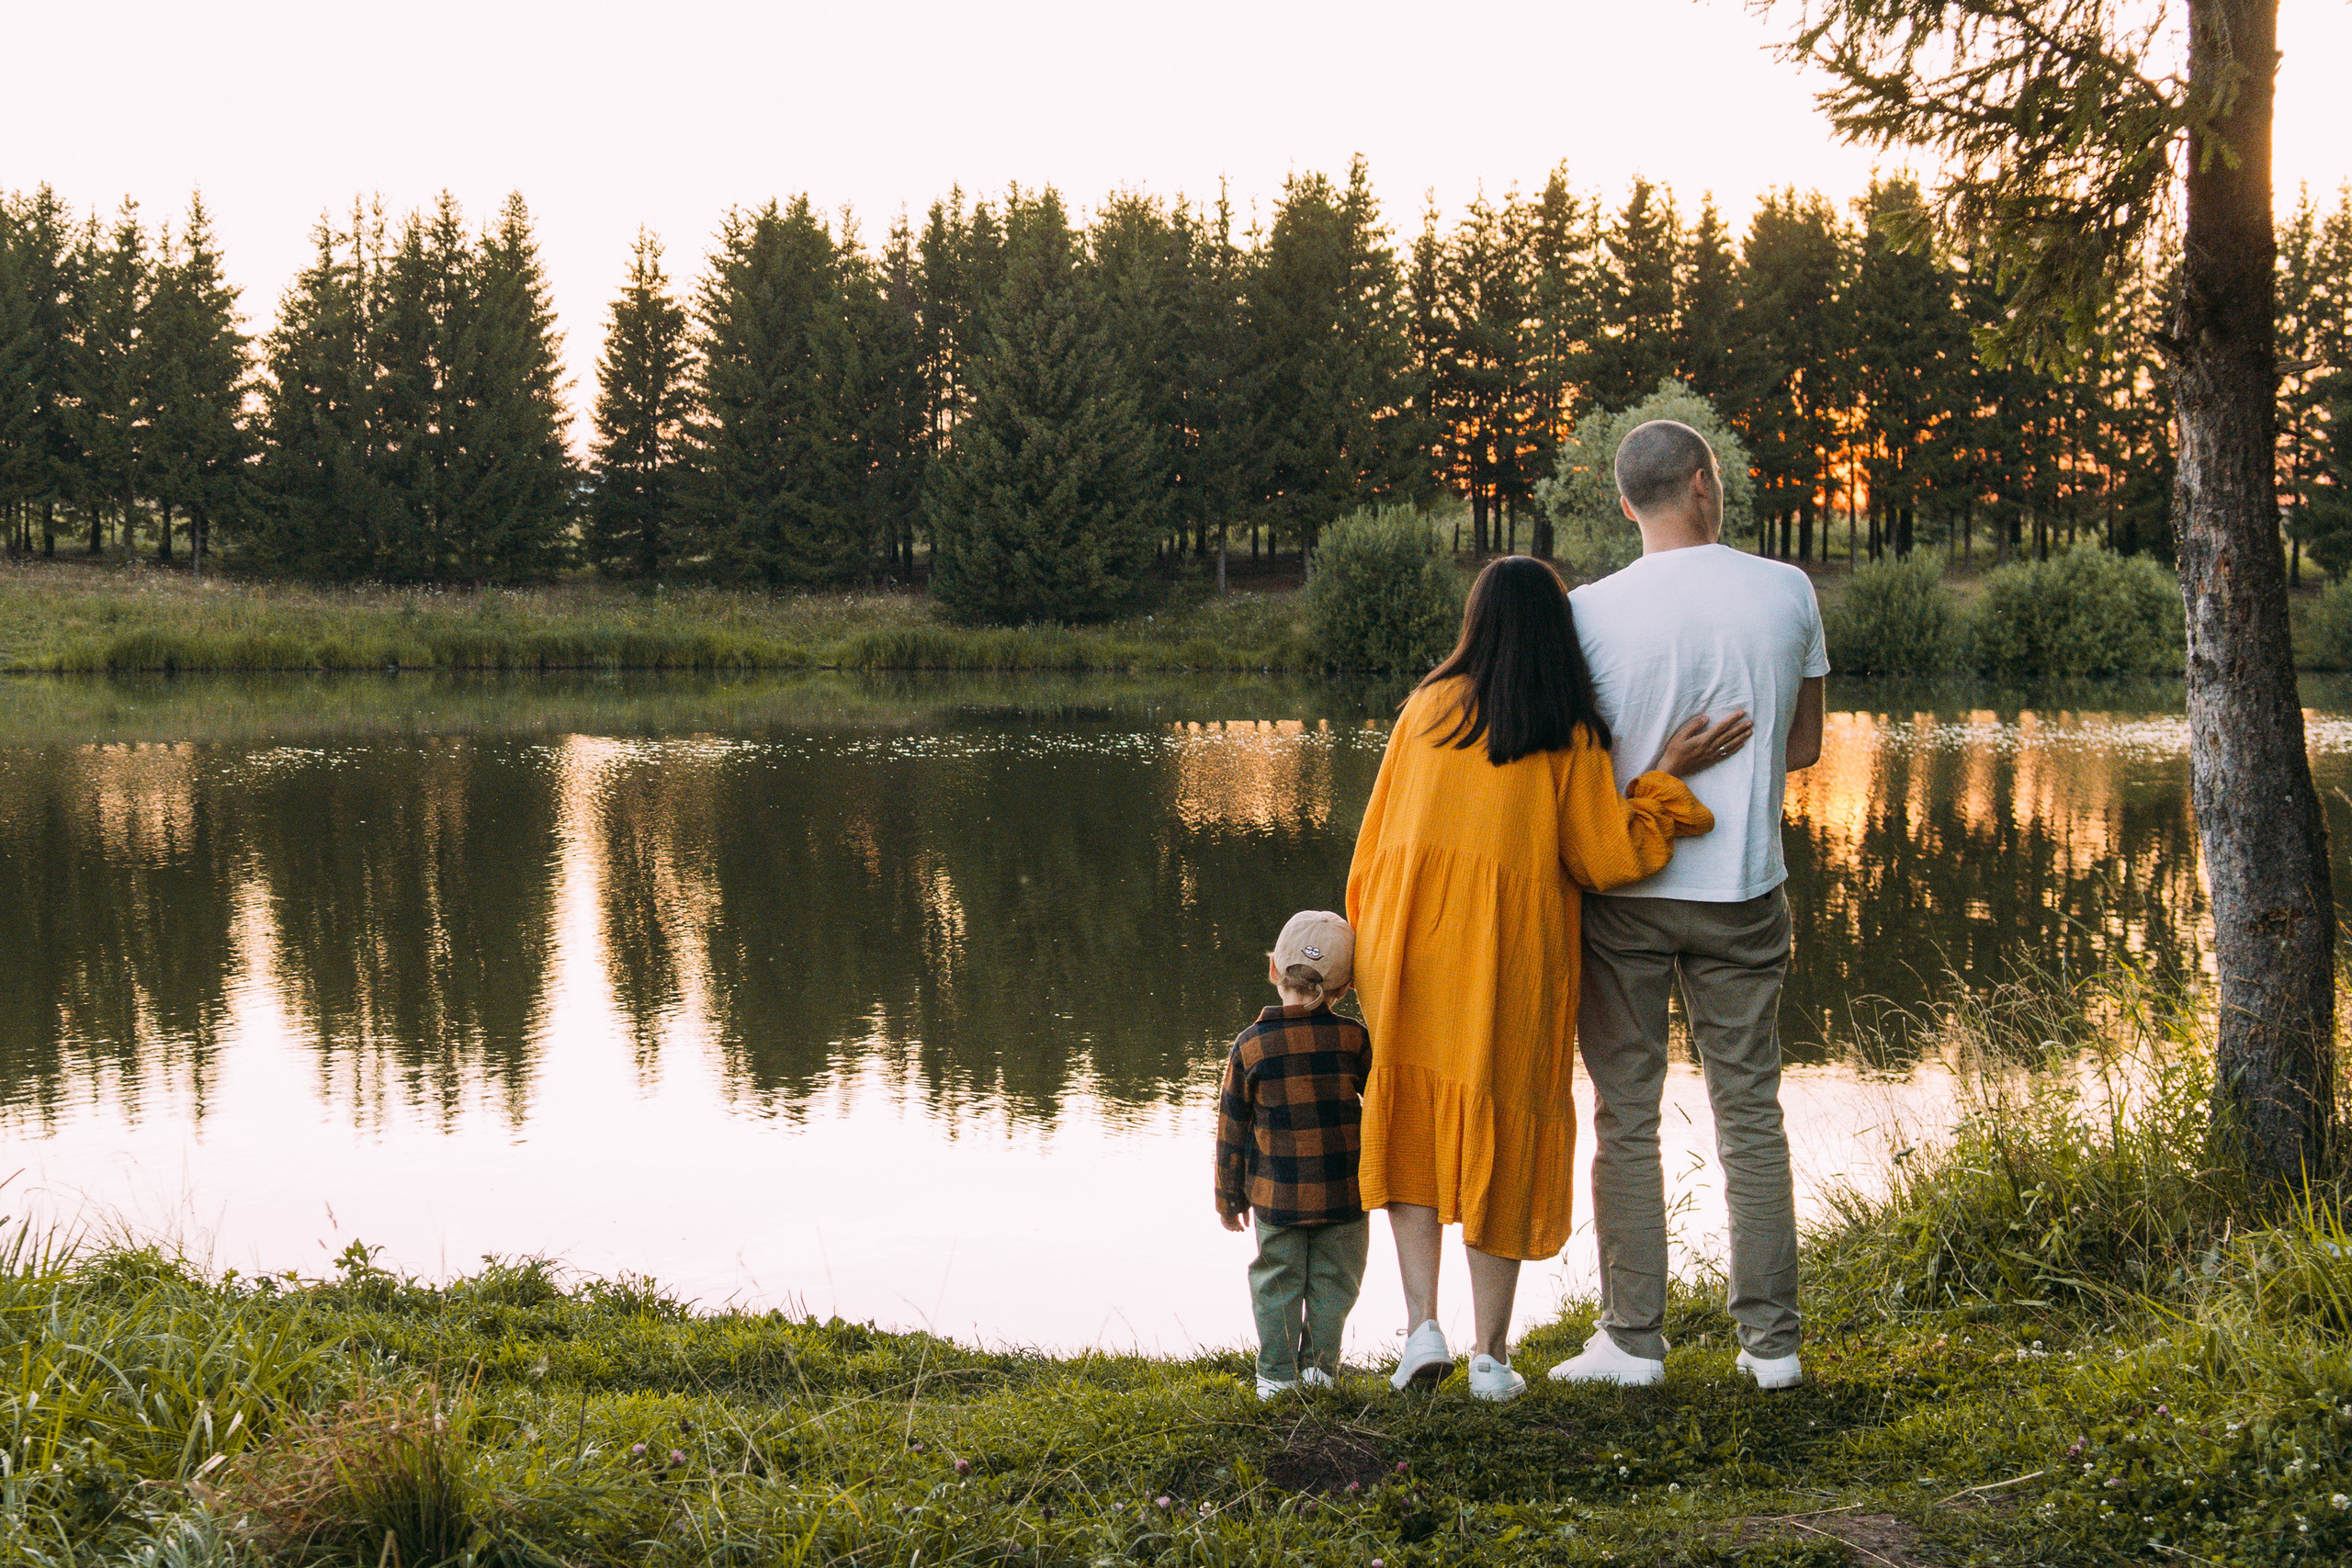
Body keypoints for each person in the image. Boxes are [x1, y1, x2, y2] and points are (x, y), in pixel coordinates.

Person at [1346, 556, 1752, 1403]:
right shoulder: (1566, 730)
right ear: (1560, 633)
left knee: (1413, 1116)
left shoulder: (1424, 708)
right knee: (1503, 1120)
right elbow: (1605, 857)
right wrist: (1664, 780)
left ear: (1476, 623)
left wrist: (1365, 944)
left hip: (1408, 943)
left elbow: (1373, 841)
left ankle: (1421, 1329)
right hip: (1508, 958)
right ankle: (1490, 1356)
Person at [1549, 419, 1828, 1393]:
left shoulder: (1585, 612)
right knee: (1749, 1109)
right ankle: (1772, 1346)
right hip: (1742, 891)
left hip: (1624, 891)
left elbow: (1573, 772)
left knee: (1625, 1116)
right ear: (1707, 483)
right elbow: (1802, 747)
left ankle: (1632, 1342)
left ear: (1625, 502)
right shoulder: (1787, 590)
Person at [1214, 909, 1374, 1401]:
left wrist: (1229, 1198)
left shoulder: (1251, 1045)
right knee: (1335, 1281)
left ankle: (1276, 1376)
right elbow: (1383, 1107)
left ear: (1273, 970)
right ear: (1344, 988)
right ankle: (1320, 1369)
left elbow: (1231, 1130)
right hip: (1345, 1193)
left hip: (1276, 1195)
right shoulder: (1354, 1039)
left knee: (1276, 1281)